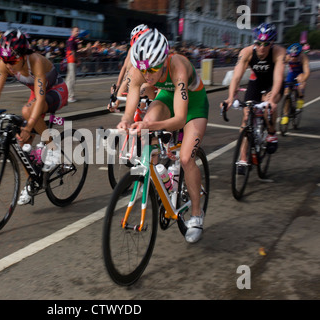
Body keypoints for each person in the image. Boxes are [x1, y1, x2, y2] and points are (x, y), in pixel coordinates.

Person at [117, 28, 210, 244]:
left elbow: (180, 118)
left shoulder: (179, 67)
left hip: (194, 104)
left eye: (153, 69)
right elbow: (132, 94)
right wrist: (127, 118)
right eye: (144, 70)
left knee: (186, 158)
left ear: (165, 60)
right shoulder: (140, 67)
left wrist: (151, 125)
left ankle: (196, 214)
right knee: (147, 124)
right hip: (168, 96)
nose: (147, 75)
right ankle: (159, 171)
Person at [0, 29, 68, 205]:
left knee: (27, 112)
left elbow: (39, 100)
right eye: (5, 60)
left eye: (12, 61)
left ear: (23, 55)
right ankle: (32, 183)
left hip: (57, 90)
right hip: (38, 94)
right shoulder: (6, 62)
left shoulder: (36, 61)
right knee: (21, 142)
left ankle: (53, 149)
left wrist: (29, 126)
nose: (8, 65)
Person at [220, 23, 285, 154]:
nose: (262, 47)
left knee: (268, 108)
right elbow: (236, 78)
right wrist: (231, 98)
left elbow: (278, 78)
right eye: (258, 43)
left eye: (266, 44)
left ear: (272, 43)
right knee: (246, 117)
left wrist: (272, 101)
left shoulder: (278, 52)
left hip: (272, 84)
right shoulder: (246, 52)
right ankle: (243, 158)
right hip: (256, 82)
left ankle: (272, 133)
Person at [107, 24, 156, 115]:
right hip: (138, 82)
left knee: (144, 88)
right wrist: (115, 102)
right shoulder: (132, 52)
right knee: (131, 75)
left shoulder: (154, 51)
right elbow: (126, 73)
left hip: (151, 84)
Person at [281, 43, 310, 125]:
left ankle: (300, 97)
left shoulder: (303, 58)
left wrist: (302, 82)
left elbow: (307, 72)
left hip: (301, 73)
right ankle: (285, 115)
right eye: (291, 56)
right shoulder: (287, 57)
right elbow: (280, 69)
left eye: (295, 56)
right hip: (292, 73)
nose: (293, 58)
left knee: (300, 80)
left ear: (300, 54)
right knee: (286, 93)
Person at [65, 26, 79, 103]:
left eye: (78, 31)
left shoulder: (73, 40)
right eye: (76, 31)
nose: (77, 32)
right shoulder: (71, 40)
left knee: (69, 79)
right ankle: (71, 96)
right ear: (72, 32)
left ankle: (67, 95)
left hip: (71, 61)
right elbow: (72, 52)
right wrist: (77, 60)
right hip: (72, 61)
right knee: (72, 79)